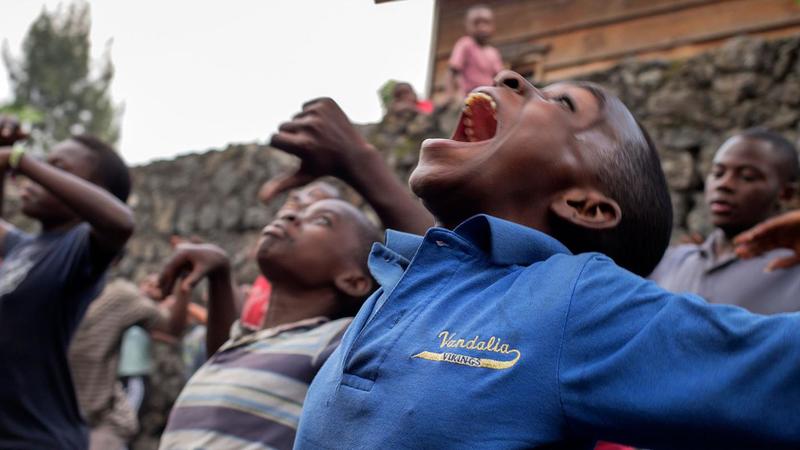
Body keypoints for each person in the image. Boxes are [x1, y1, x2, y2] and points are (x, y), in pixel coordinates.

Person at [264, 71, 800, 449]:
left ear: (585, 206)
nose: (514, 77)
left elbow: (778, 367)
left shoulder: (576, 301)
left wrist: (360, 160)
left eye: (564, 105)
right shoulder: (399, 284)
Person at [157, 199, 381, 450]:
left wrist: (361, 165)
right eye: (298, 211)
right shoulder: (248, 341)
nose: (291, 216)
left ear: (352, 280)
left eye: (322, 220)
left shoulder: (337, 340)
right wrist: (220, 274)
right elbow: (225, 357)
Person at [0, 119, 135, 449]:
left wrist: (21, 160)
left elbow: (121, 223)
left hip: (36, 439)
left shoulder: (77, 251)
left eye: (57, 168)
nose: (34, 177)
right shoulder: (22, 247)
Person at [650, 129, 800, 314]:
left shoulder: (791, 267)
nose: (724, 184)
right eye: (718, 173)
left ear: (786, 193)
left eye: (747, 177)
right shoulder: (668, 261)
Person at [68, 271, 191, 450]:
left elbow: (170, 331)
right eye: (148, 282)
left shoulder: (128, 301)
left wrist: (183, 285)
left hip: (127, 383)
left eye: (157, 285)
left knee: (127, 418)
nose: (151, 287)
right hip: (75, 407)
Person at [446, 4, 504, 99]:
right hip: (468, 98)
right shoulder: (465, 44)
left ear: (493, 25)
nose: (481, 27)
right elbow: (452, 71)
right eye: (476, 23)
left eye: (486, 22)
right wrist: (451, 97)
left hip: (490, 99)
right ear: (467, 25)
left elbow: (499, 77)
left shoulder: (493, 52)